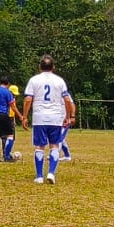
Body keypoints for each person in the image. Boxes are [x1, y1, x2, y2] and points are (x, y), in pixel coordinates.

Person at [21, 55, 76, 185]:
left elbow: (28, 99)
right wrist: (68, 116)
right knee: (55, 145)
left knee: (40, 147)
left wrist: (24, 116)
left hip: (39, 117)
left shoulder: (34, 80)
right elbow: (67, 100)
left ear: (39, 67)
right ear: (53, 67)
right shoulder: (59, 81)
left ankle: (39, 176)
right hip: (55, 117)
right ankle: (51, 173)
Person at [0, 77, 19, 162]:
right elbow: (13, 106)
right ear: (8, 84)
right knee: (10, 135)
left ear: (0, 82)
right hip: (3, 115)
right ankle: (7, 156)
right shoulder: (7, 92)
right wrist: (20, 116)